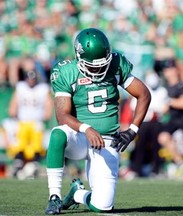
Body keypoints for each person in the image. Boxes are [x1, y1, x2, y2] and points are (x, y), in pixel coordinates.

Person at [44, 28, 151, 215]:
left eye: (103, 65)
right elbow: (62, 116)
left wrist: (133, 130)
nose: (99, 69)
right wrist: (86, 128)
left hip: (107, 140)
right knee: (57, 134)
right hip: (79, 136)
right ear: (79, 57)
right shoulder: (66, 71)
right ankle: (54, 196)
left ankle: (77, 194)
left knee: (103, 206)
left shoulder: (116, 64)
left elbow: (143, 94)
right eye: (93, 66)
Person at [8, 70, 53, 179]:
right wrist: (13, 111)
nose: (31, 81)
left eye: (33, 78)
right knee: (20, 140)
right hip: (22, 121)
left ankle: (34, 163)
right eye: (29, 78)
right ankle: (18, 162)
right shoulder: (21, 87)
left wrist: (47, 114)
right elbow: (14, 103)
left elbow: (48, 103)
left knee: (36, 142)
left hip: (37, 121)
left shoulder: (42, 88)